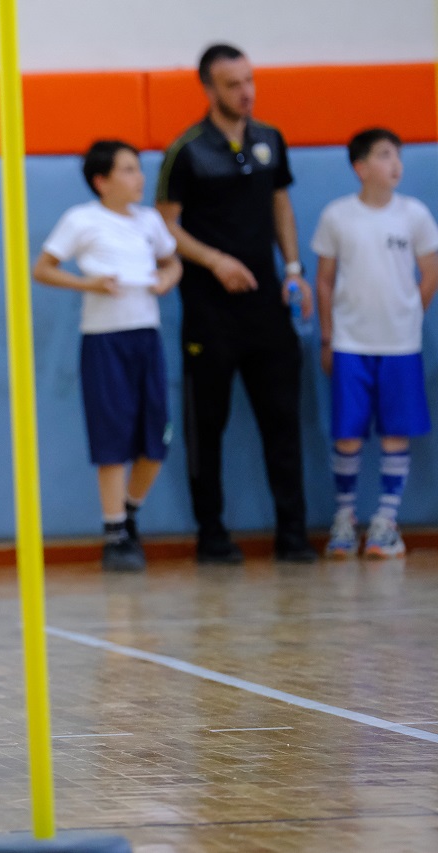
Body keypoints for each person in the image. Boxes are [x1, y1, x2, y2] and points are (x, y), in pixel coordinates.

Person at [155, 43, 317, 565]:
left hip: (267, 307)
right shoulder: (187, 150)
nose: (245, 92)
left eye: (249, 81)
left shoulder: (270, 139)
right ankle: (212, 535)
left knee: (283, 420)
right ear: (208, 89)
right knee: (210, 424)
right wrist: (215, 260)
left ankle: (293, 536)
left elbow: (280, 204)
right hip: (210, 312)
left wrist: (293, 270)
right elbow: (165, 225)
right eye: (232, 84)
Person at [33, 140, 182, 572]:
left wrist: (167, 278)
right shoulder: (81, 220)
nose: (139, 178)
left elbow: (173, 263)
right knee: (112, 437)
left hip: (145, 338)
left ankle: (130, 511)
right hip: (104, 340)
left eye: (138, 169)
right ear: (102, 180)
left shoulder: (150, 221)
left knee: (156, 440)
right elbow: (43, 268)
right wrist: (90, 285)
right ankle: (114, 531)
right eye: (128, 170)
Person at [311, 128, 438, 559]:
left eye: (398, 155)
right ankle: (345, 519)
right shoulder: (337, 216)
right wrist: (328, 338)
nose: (395, 164)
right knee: (347, 433)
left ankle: (385, 521)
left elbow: (430, 273)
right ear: (360, 167)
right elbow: (324, 281)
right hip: (350, 342)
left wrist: (409, 315)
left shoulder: (415, 215)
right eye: (384, 155)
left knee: (395, 432)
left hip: (400, 345)